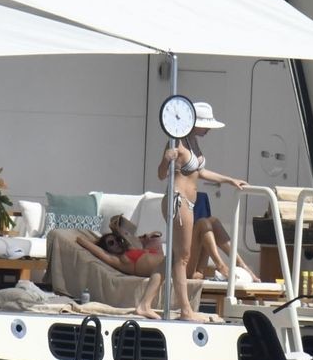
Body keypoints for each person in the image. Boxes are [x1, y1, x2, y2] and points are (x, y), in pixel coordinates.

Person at [156, 101, 247, 321]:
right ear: (194, 123)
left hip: (189, 202)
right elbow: (161, 174)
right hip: (178, 200)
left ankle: (144, 304)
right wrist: (166, 160)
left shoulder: (193, 142)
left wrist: (229, 180)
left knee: (177, 257)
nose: (208, 130)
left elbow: (201, 172)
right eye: (205, 125)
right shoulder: (176, 142)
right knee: (183, 257)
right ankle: (185, 310)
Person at [74, 216, 170, 319]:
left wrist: (117, 231)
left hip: (162, 261)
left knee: (158, 240)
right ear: (106, 248)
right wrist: (99, 242)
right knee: (177, 259)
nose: (116, 243)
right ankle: (144, 307)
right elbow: (81, 240)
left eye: (117, 240)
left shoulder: (130, 248)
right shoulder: (117, 260)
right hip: (161, 265)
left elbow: (128, 234)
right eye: (111, 243)